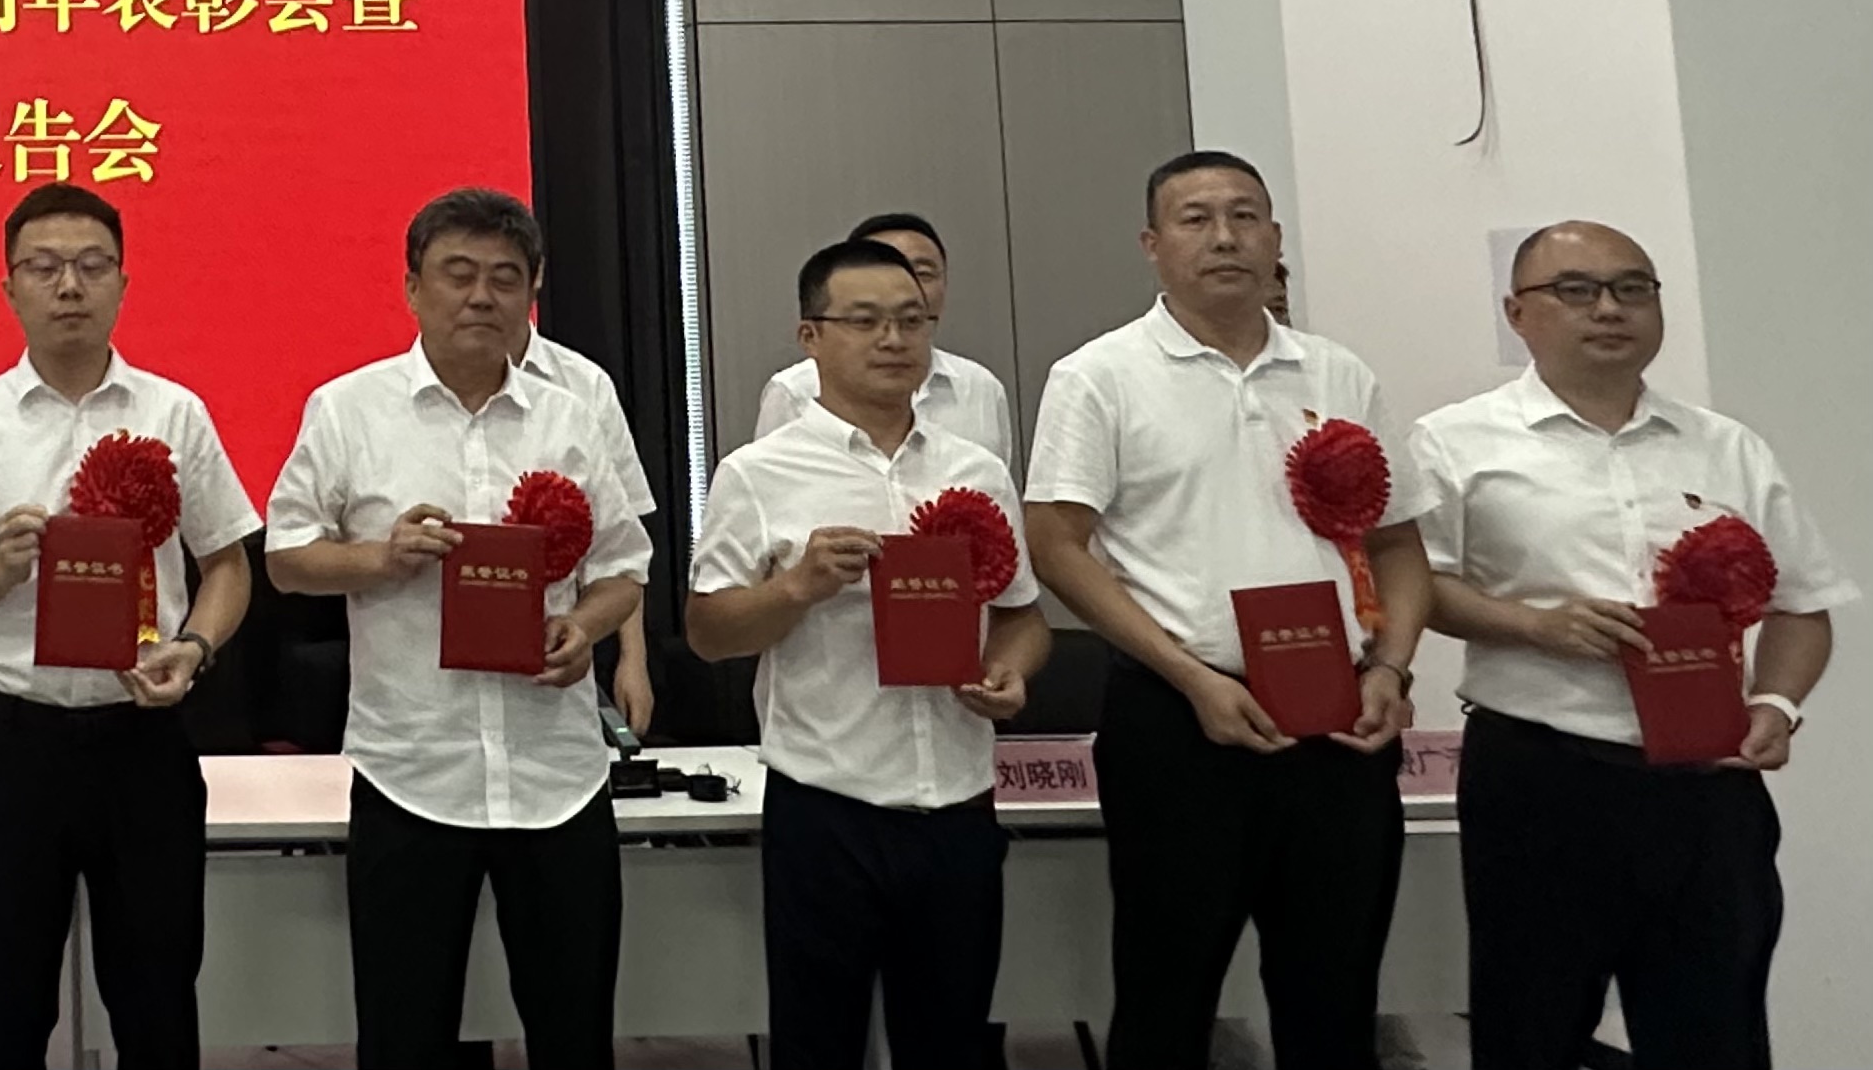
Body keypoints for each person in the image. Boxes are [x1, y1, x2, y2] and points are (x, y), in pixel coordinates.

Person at [1024, 150, 1433, 1070]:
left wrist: (1391, 667)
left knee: (1335, 998)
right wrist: (1191, 676)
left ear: (1275, 238)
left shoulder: (1337, 372)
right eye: (1197, 218)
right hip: (1179, 719)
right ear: (1152, 244)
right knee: (1167, 998)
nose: (1224, 237)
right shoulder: (1100, 374)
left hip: (1339, 718)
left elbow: (1399, 542)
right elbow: (1055, 544)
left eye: (1245, 216)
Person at [1412, 219, 1851, 1069]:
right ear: (1517, 312)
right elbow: (1414, 587)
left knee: (1716, 1031)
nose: (1609, 309)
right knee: (1531, 1028)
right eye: (1576, 290)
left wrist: (1776, 703)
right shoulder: (1455, 441)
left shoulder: (1725, 445)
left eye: (1632, 288)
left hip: (1707, 785)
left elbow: (1803, 602)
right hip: (1544, 774)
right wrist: (1534, 623)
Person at [266, 187, 655, 1070]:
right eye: (458, 273)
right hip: (413, 768)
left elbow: (625, 566)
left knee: (575, 1032)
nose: (482, 295)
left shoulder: (574, 416)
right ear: (412, 287)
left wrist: (583, 626)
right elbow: (286, 557)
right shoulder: (348, 409)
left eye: (505, 277)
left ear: (532, 292)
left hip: (554, 771)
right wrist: (381, 557)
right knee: (405, 1036)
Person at [0, 183, 259, 1070]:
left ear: (123, 284)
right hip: (13, 744)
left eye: (92, 265)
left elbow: (229, 566)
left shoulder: (175, 413)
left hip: (142, 739)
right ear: (9, 286)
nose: (69, 286)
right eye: (45, 267)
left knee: (158, 1000)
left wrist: (195, 646)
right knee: (5, 1005)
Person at [689, 241, 1049, 1070]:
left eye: (910, 320)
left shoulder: (976, 471)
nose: (893, 338)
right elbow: (707, 631)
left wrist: (1013, 670)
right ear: (810, 335)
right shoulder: (758, 472)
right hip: (828, 805)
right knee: (819, 1046)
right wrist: (796, 587)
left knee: (953, 1045)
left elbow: (1023, 615)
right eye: (865, 320)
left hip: (957, 800)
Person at [515, 277, 661, 736]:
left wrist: (633, 659)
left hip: (571, 635)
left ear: (535, 278)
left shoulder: (585, 386)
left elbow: (622, 545)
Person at [752, 211, 1017, 462]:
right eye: (864, 321)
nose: (902, 282)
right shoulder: (792, 389)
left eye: (922, 273)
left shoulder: (980, 386)